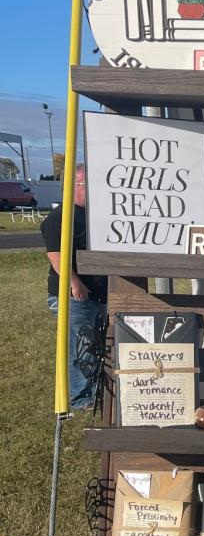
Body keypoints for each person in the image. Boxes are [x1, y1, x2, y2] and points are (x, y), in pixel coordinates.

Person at [41, 164, 107, 410]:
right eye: (89, 185)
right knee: (81, 346)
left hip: (98, 294)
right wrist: (74, 283)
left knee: (94, 344)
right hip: (75, 296)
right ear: (73, 186)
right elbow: (57, 256)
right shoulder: (59, 218)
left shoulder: (94, 215)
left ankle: (95, 391)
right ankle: (81, 397)